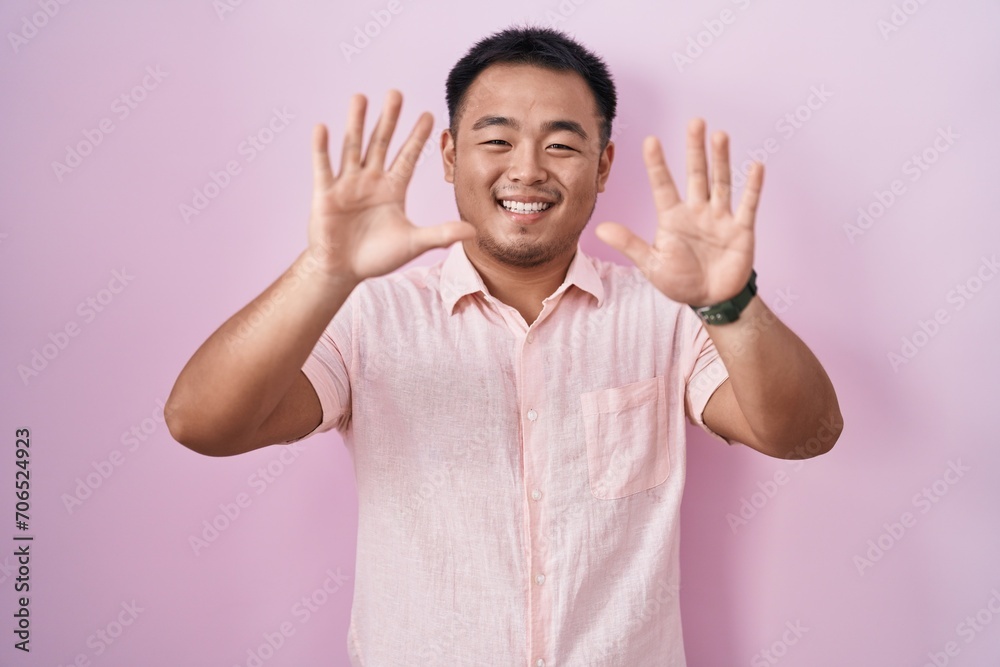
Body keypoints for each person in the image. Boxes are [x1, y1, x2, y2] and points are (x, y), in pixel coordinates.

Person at [166, 25, 842, 667]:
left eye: (561, 144)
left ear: (604, 167)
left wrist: (731, 304)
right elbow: (202, 423)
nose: (527, 169)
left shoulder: (664, 315)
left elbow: (804, 433)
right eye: (497, 140)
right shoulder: (373, 316)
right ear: (451, 157)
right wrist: (325, 270)